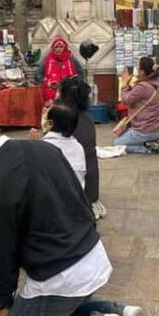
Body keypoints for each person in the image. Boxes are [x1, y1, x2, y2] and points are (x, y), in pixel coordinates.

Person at [0, 104, 147, 316]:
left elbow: (0, 254)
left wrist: (4, 303)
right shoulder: (46, 148)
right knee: (53, 309)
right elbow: (82, 200)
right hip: (93, 252)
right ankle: (117, 312)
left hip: (59, 272)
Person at [57, 76, 106, 219]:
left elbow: (51, 154)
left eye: (59, 91)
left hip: (74, 187)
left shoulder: (64, 122)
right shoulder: (87, 118)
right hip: (90, 187)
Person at [114, 56, 159, 154]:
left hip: (144, 130)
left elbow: (126, 100)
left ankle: (147, 148)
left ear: (142, 71)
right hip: (153, 128)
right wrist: (128, 85)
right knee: (121, 138)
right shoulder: (153, 83)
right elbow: (134, 96)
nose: (136, 69)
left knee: (117, 145)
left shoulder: (143, 86)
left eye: (137, 66)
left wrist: (124, 84)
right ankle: (151, 142)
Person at [29, 103, 86, 187]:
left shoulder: (43, 146)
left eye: (45, 116)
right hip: (76, 194)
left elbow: (34, 176)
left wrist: (33, 147)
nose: (43, 119)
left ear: (50, 123)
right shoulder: (78, 147)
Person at [37, 37, 84, 105]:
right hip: (51, 89)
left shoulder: (71, 58)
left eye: (61, 47)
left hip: (68, 89)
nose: (59, 49)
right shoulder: (47, 59)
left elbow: (81, 73)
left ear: (64, 48)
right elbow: (38, 74)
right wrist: (47, 82)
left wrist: (74, 83)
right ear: (53, 48)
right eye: (56, 47)